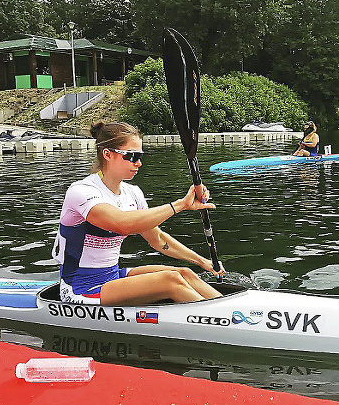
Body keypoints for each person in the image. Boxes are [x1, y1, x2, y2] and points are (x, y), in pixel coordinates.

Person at [52, 120, 225, 306]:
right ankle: (223, 322)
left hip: (112, 275)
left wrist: (202, 262)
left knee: (184, 273)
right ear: (107, 154)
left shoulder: (133, 193)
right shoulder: (81, 191)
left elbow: (157, 239)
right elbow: (122, 223)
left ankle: (228, 309)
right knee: (170, 281)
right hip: (80, 288)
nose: (139, 163)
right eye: (132, 156)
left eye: (140, 156)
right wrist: (180, 205)